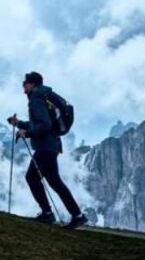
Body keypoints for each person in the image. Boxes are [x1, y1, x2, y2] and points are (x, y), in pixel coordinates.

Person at [8, 71, 88, 229]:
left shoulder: (36, 98)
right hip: (52, 145)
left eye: (25, 82)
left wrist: (27, 132)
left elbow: (44, 125)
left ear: (32, 84)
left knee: (32, 177)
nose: (23, 85)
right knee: (55, 181)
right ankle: (77, 216)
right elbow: (42, 123)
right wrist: (19, 124)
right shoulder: (44, 96)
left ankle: (47, 214)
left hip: (45, 146)